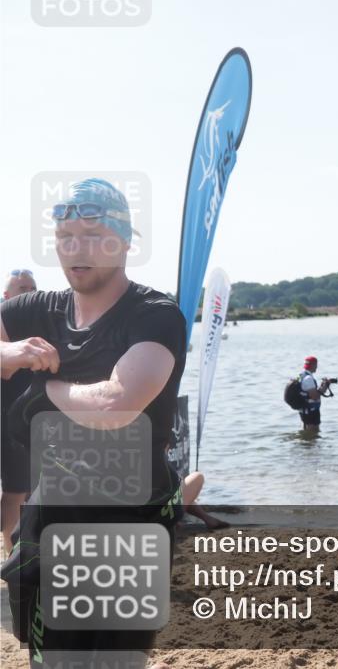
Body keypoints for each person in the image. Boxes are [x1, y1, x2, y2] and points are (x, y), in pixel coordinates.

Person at [0, 179, 185, 664]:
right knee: (52, 660)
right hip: (52, 516)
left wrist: (45, 393)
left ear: (125, 242)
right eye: (65, 237)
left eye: (93, 236)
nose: (75, 249)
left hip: (133, 518)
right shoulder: (38, 310)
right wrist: (8, 352)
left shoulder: (155, 315)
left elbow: (116, 405)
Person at [1, 270, 37, 552]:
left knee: (24, 489)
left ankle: (15, 553)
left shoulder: (41, 324)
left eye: (32, 288)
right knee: (15, 490)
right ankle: (11, 552)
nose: (29, 293)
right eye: (22, 288)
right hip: (6, 416)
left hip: (26, 419)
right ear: (6, 295)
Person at [298, 355, 333, 429]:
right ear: (313, 365)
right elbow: (315, 396)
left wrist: (322, 386)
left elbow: (310, 393)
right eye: (316, 365)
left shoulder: (301, 375)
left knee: (308, 431)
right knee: (313, 431)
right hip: (311, 411)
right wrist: (325, 386)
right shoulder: (308, 378)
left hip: (305, 410)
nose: (317, 367)